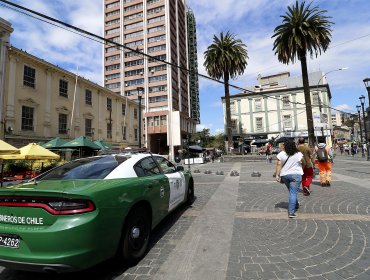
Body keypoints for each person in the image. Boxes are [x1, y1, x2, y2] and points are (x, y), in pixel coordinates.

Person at [275, 140, 304, 219]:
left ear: (285, 146)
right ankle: (291, 212)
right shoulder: (298, 154)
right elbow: (303, 162)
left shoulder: (281, 154)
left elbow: (278, 164)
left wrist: (277, 175)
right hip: (296, 175)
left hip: (285, 175)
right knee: (293, 192)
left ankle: (296, 204)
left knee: (292, 192)